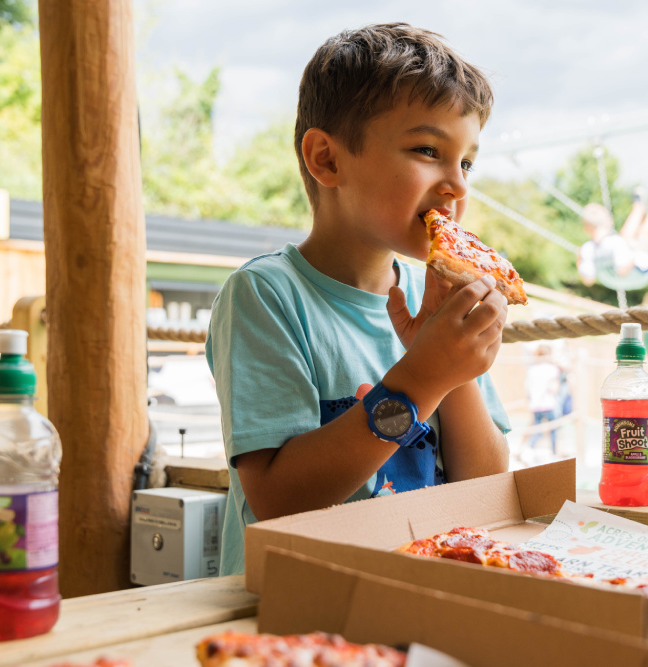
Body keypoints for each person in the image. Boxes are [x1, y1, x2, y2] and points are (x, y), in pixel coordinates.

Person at [206, 24, 511, 576]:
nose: (458, 186)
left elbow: (487, 488)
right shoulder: (267, 296)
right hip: (290, 607)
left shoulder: (436, 298)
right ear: (327, 159)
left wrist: (453, 372)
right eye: (427, 150)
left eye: (466, 163)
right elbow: (279, 501)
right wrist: (422, 378)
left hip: (414, 592)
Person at [576, 182, 648, 291]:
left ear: (585, 228)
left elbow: (588, 280)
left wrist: (579, 260)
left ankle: (639, 206)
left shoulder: (587, 248)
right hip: (639, 275)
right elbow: (622, 270)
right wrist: (634, 254)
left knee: (626, 235)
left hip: (610, 281)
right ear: (609, 222)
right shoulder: (615, 243)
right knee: (645, 234)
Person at [524, 344, 564, 455]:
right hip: (549, 403)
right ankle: (555, 453)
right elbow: (555, 388)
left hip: (536, 404)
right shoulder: (552, 369)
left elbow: (527, 388)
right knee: (554, 430)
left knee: (537, 430)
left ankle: (529, 450)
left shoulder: (531, 370)